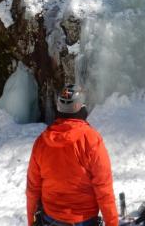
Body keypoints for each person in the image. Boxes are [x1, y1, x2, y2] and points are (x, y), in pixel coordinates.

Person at [26, 84, 118, 226]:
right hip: (84, 219)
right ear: (80, 108)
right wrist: (112, 223)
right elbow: (103, 188)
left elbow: (33, 188)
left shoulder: (41, 142)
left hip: (50, 219)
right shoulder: (91, 140)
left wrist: (30, 221)